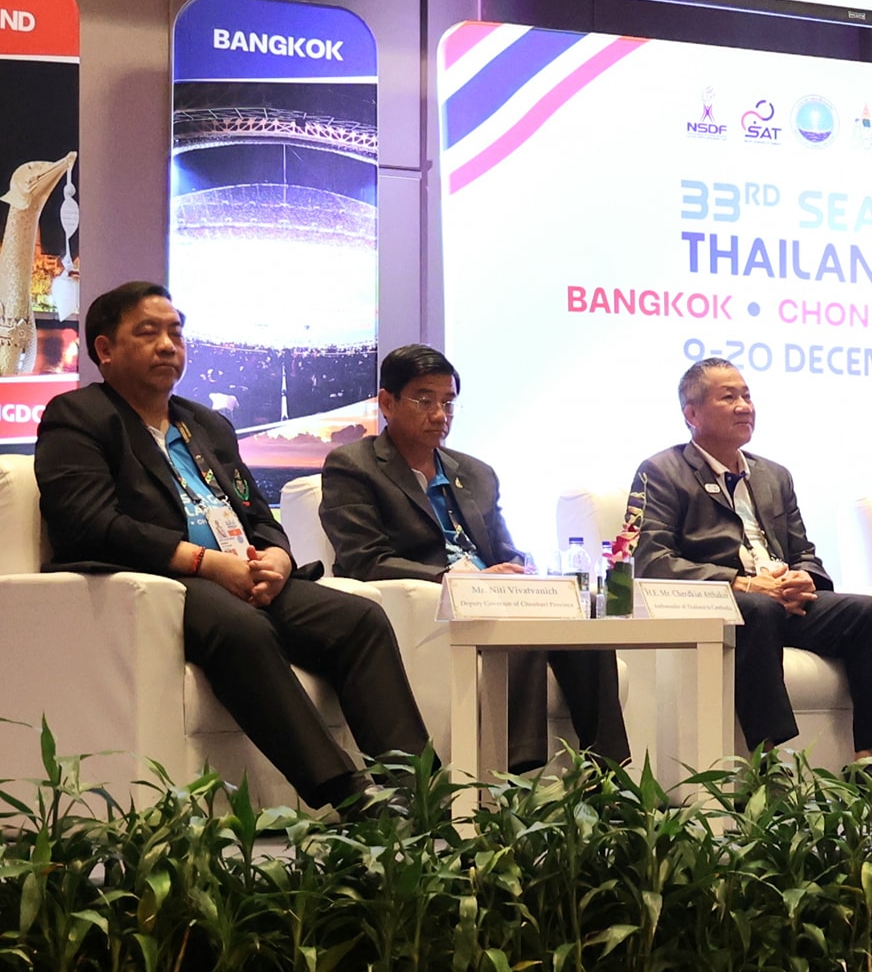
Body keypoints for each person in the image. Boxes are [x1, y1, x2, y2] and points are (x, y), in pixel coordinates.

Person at [33, 282, 431, 809]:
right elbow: (88, 523)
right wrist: (205, 562)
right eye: (148, 333)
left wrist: (277, 558)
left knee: (359, 620)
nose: (168, 345)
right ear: (105, 349)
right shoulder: (78, 416)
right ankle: (347, 795)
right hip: (164, 578)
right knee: (242, 628)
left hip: (241, 574)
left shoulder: (205, 424)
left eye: (176, 333)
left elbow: (255, 514)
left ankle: (417, 794)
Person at [321, 344, 628, 772]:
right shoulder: (354, 466)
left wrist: (528, 574)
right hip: (433, 606)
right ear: (387, 403)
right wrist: (460, 579)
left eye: (448, 403)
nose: (439, 415)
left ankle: (610, 778)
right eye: (424, 401)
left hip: (495, 596)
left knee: (582, 632)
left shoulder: (476, 473)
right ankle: (515, 775)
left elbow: (504, 551)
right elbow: (363, 560)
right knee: (519, 623)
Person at [628, 357, 872, 755]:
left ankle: (870, 762)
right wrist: (739, 583)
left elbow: (804, 552)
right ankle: (768, 760)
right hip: (726, 606)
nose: (744, 406)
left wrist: (804, 579)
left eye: (747, 396)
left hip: (780, 601)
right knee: (760, 609)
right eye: (728, 398)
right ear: (692, 414)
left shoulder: (774, 475)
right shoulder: (661, 471)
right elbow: (653, 559)